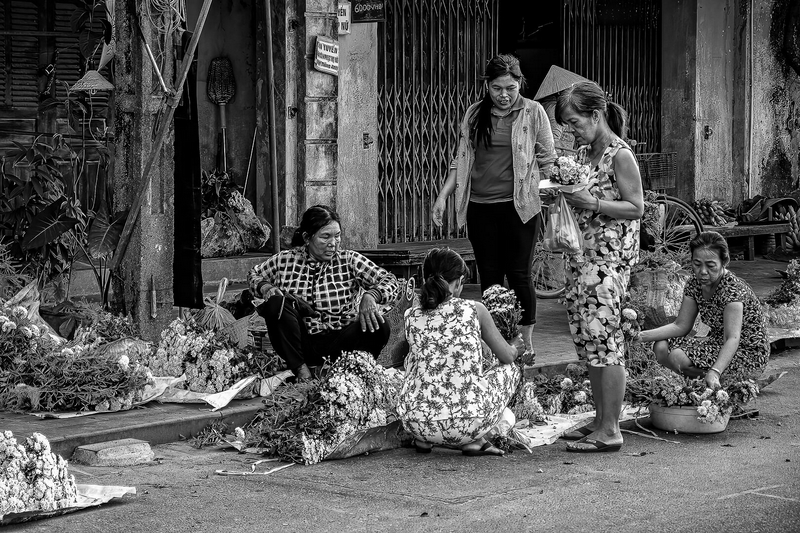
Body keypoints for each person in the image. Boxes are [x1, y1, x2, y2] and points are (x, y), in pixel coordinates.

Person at [431, 54, 557, 356]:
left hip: (521, 207)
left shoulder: (533, 112)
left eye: (511, 88)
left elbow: (548, 159)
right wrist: (443, 196)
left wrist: (554, 191)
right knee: (489, 274)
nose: (504, 95)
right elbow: (460, 161)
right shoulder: (475, 114)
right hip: (480, 207)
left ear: (520, 85)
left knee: (519, 274)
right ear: (487, 85)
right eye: (497, 88)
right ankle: (495, 340)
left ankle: (526, 341)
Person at [554, 81, 644, 453]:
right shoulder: (583, 152)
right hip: (581, 258)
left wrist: (592, 204)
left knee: (607, 343)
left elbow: (636, 207)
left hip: (608, 263)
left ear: (596, 115)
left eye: (575, 122)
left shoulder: (620, 155)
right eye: (567, 125)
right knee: (589, 342)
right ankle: (599, 417)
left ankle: (611, 428)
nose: (571, 131)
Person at [248, 205, 400, 381]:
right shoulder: (284, 261)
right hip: (301, 344)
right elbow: (254, 274)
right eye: (325, 237)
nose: (333, 243)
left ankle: (347, 371)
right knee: (275, 304)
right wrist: (265, 287)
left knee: (380, 325)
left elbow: (390, 280)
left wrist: (372, 295)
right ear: (307, 237)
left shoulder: (348, 260)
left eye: (337, 236)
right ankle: (302, 371)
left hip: (341, 342)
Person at [396, 248, 523, 456]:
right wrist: (515, 347)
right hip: (469, 423)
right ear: (459, 282)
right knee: (510, 368)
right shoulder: (475, 309)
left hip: (416, 422)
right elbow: (506, 356)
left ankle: (424, 440)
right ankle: (475, 440)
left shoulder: (410, 314)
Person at [638, 231, 769, 387]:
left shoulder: (732, 290)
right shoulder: (694, 283)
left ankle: (711, 381)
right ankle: (699, 382)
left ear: (724, 261)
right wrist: (639, 336)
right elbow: (681, 326)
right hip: (716, 343)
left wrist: (715, 371)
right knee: (660, 346)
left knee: (677, 357)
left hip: (746, 353)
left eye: (711, 265)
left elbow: (732, 339)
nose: (703, 271)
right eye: (697, 264)